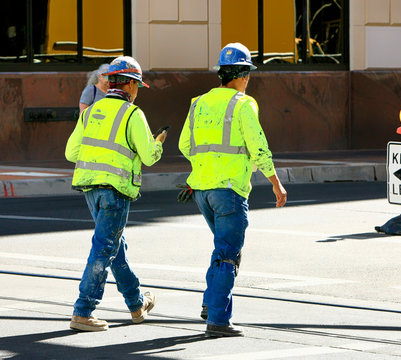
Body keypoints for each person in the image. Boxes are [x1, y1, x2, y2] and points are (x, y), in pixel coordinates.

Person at [179, 42, 287, 337]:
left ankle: (208, 303)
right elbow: (259, 146)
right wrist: (275, 182)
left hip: (201, 189)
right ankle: (218, 320)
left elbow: (184, 146)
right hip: (229, 190)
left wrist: (206, 166)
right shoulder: (243, 103)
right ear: (242, 76)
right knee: (228, 253)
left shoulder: (198, 103)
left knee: (221, 247)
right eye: (248, 76)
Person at [65, 56, 167, 331]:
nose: (137, 92)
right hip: (116, 191)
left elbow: (71, 152)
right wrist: (157, 143)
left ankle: (136, 305)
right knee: (104, 249)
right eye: (137, 87)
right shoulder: (133, 115)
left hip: (89, 188)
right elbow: (148, 157)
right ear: (132, 85)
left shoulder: (90, 112)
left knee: (114, 248)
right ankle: (83, 311)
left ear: (110, 83)